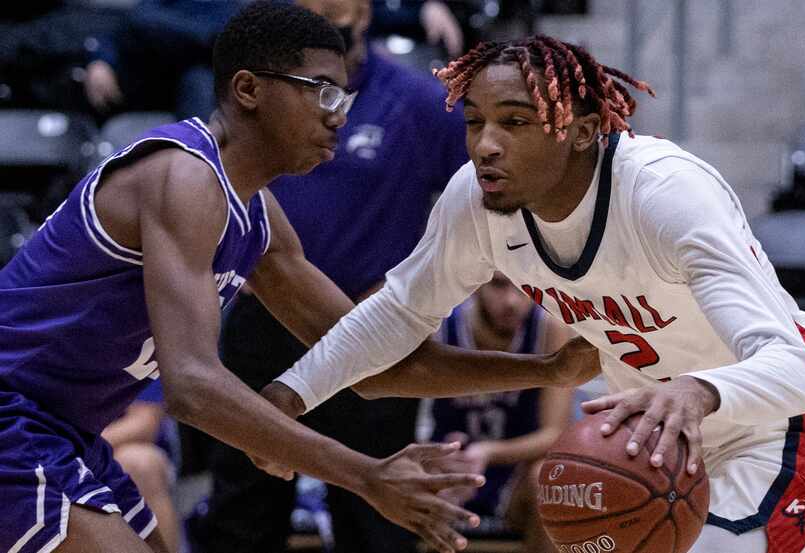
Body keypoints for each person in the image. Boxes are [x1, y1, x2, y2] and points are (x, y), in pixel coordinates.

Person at [0, 7, 601, 553]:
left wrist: (547, 371)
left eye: (345, 97)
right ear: (248, 90)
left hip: (65, 430)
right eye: (324, 94)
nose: (340, 116)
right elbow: (192, 385)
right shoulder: (182, 177)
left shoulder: (257, 218)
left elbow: (378, 362)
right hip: (15, 415)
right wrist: (365, 474)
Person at [266, 36, 805, 552]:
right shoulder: (477, 201)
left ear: (583, 131)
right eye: (474, 121)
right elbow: (397, 313)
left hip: (785, 424)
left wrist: (697, 389)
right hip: (658, 446)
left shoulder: (665, 194)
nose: (486, 144)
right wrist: (292, 395)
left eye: (515, 121)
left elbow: (793, 369)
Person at [185, 0, 470, 550]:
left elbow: (476, 208)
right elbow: (189, 386)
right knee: (242, 515)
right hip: (260, 318)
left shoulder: (416, 101)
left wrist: (415, 293)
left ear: (365, 12)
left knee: (378, 523)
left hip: (371, 320)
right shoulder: (240, 120)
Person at [426, 272, 574, 553]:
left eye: (523, 286)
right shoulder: (440, 326)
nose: (512, 301)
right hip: (453, 470)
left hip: (517, 472)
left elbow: (555, 435)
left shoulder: (548, 328)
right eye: (498, 284)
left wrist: (487, 452)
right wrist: (436, 457)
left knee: (550, 480)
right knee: (414, 478)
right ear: (476, 282)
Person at [83, 0, 246, 121]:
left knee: (198, 78)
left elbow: (225, 37)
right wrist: (100, 62)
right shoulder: (156, 6)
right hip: (148, 74)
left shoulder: (227, 7)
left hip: (202, 74)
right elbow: (126, 28)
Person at [102, 381, 179, 553]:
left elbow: (144, 424)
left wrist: (78, 444)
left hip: (115, 447)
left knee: (142, 464)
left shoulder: (129, 354)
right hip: (48, 448)